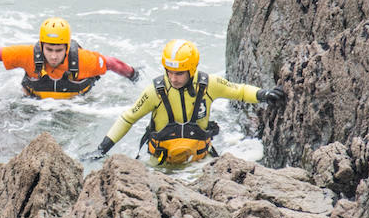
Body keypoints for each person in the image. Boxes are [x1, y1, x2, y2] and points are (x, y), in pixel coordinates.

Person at [87, 39, 285, 165]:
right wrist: (101, 149)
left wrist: (263, 94)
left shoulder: (209, 84)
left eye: (179, 73)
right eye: (169, 72)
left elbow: (239, 91)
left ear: (192, 69)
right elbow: (128, 118)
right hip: (161, 164)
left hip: (199, 162)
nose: (173, 78)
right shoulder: (155, 91)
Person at [0, 17, 139, 99]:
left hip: (77, 104)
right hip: (33, 104)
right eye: (49, 50)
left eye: (59, 50)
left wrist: (133, 75)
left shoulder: (84, 60)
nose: (53, 56)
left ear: (67, 47)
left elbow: (113, 63)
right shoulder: (27, 55)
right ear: (42, 46)